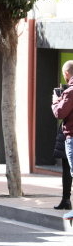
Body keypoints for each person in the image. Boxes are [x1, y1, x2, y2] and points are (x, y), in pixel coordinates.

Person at [52, 60, 73, 220]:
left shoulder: (70, 92)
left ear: (65, 74)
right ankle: (66, 200)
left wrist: (56, 100)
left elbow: (60, 113)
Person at [53, 123, 72, 210]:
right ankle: (66, 200)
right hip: (67, 133)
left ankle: (66, 200)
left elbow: (60, 113)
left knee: (67, 168)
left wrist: (54, 108)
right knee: (66, 168)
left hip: (69, 133)